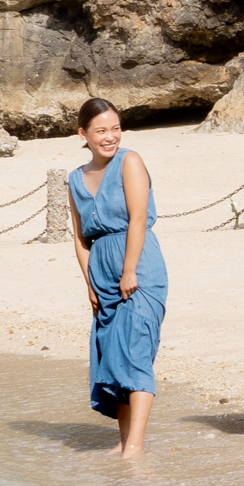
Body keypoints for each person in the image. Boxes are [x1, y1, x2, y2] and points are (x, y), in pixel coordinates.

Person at [65, 97, 167, 458]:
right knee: (113, 356)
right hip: (101, 271)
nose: (110, 137)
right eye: (101, 131)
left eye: (115, 129)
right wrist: (90, 283)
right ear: (84, 134)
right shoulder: (75, 178)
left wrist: (128, 271)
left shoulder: (130, 161)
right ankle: (123, 441)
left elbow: (138, 219)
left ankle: (135, 447)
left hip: (138, 265)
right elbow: (79, 238)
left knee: (135, 351)